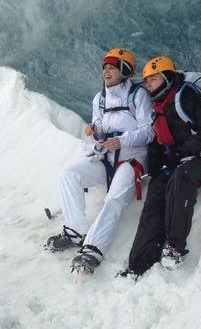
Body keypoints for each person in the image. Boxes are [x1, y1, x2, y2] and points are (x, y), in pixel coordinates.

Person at [46, 48, 154, 273]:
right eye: (105, 66)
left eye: (112, 66)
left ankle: (93, 249)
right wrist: (94, 131)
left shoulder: (138, 95)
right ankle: (76, 231)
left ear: (124, 70)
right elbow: (101, 129)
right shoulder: (100, 98)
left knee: (114, 199)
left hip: (131, 160)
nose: (106, 70)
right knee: (69, 175)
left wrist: (122, 141)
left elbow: (149, 131)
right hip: (106, 158)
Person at [120, 56, 201, 277]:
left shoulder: (187, 95)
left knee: (181, 179)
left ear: (165, 77)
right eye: (146, 81)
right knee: (154, 199)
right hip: (172, 160)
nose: (148, 84)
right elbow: (157, 139)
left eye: (152, 79)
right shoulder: (157, 105)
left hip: (195, 158)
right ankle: (138, 264)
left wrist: (181, 152)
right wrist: (156, 164)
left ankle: (174, 247)